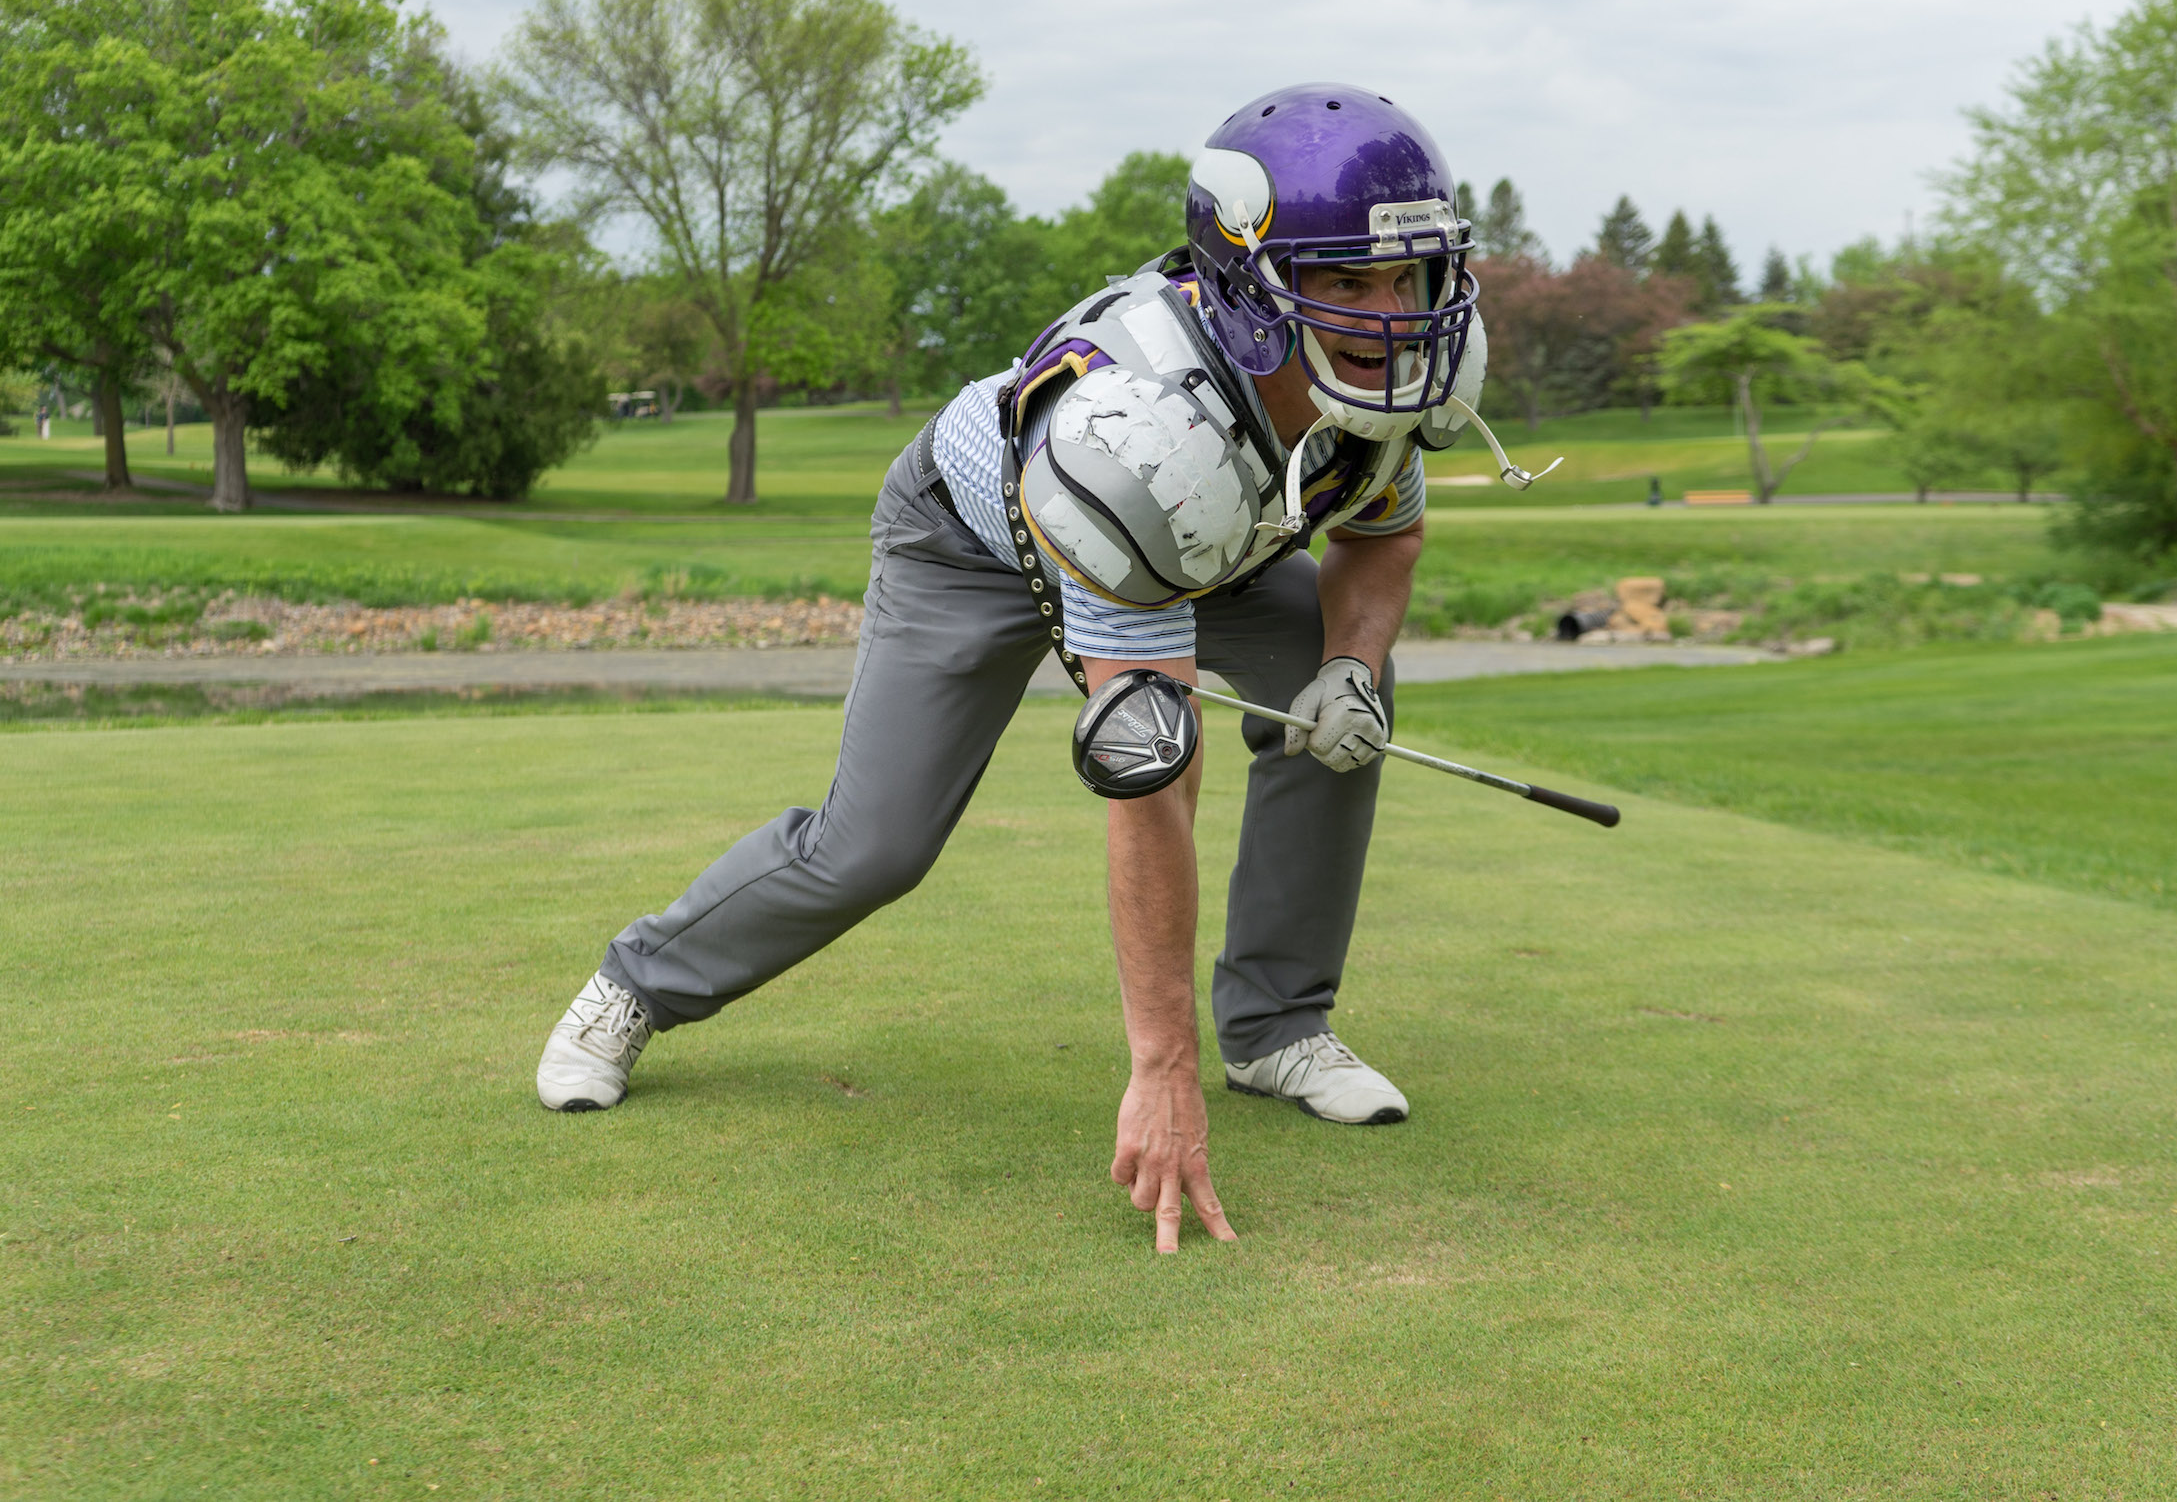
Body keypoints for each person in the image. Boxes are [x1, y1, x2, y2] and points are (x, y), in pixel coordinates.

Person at [536, 82, 1547, 1253]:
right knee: (876, 846)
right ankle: (634, 984)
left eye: (1408, 279)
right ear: (1251, 287)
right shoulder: (1139, 419)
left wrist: (1354, 669)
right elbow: (1149, 775)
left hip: (1206, 538)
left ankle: (1276, 1026)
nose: (1392, 316)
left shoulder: (1396, 373)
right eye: (1346, 283)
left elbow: (1382, 529)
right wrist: (1154, 1066)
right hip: (977, 534)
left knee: (1340, 710)